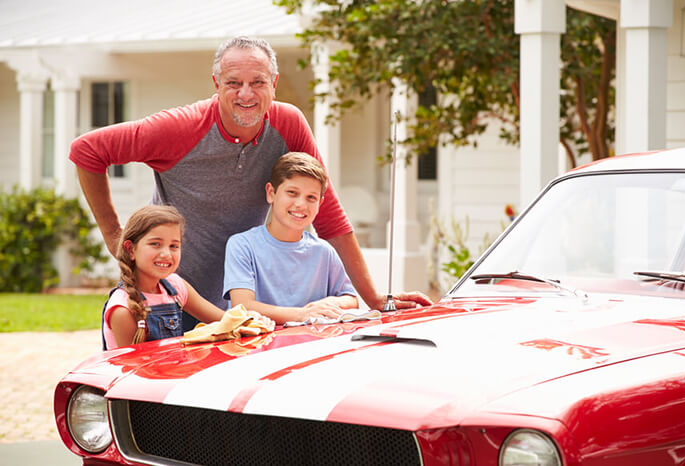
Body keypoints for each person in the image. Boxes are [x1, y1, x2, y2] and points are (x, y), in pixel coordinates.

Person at [70, 36, 432, 331]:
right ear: (216, 85)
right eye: (234, 83)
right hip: (175, 294)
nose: (246, 94)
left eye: (258, 82)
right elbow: (86, 151)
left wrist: (373, 298)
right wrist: (116, 238)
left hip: (243, 306)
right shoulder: (179, 128)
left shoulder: (287, 123)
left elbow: (330, 214)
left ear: (273, 84)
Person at [223, 152, 358, 324]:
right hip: (257, 347)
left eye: (311, 197)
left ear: (320, 204)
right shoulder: (242, 245)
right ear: (271, 193)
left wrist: (329, 303)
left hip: (310, 344)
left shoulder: (324, 252)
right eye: (292, 192)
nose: (301, 204)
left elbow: (351, 300)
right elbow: (243, 306)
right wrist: (303, 314)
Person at [102, 205, 227, 349]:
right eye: (155, 244)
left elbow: (223, 320)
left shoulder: (175, 285)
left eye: (174, 246)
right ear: (131, 249)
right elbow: (134, 368)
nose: (166, 254)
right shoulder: (123, 309)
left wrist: (252, 319)